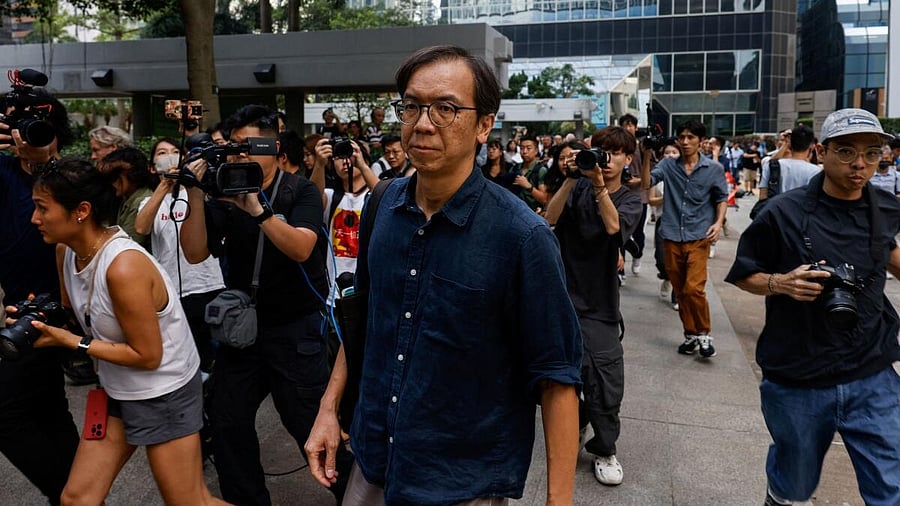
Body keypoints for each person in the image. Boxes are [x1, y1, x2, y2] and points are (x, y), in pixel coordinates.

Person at [304, 45, 582, 505]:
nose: (424, 122)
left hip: (460, 480)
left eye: (447, 108)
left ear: (485, 125)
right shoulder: (382, 205)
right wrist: (328, 409)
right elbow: (366, 322)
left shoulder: (523, 236)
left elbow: (557, 377)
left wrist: (559, 500)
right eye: (412, 106)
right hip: (374, 462)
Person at [23, 157, 226, 506]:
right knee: (77, 499)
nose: (34, 219)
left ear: (81, 211)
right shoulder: (66, 253)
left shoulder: (124, 266)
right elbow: (75, 314)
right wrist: (34, 317)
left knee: (189, 501)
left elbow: (148, 356)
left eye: (42, 208)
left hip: (164, 390)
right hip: (118, 389)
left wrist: (74, 342)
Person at [724, 108, 900, 506]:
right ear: (821, 151)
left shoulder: (885, 209)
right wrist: (781, 283)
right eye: (846, 152)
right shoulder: (781, 213)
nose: (860, 164)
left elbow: (886, 252)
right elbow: (742, 274)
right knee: (794, 487)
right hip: (798, 376)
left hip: (873, 374)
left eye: (872, 153)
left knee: (890, 489)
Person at [180, 105, 352, 505]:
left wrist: (259, 210)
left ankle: (359, 496)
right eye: (233, 147)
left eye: (248, 145)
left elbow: (302, 247)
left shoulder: (298, 190)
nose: (240, 156)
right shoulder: (222, 193)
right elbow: (192, 253)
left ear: (274, 143)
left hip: (294, 330)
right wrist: (194, 189)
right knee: (227, 421)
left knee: (310, 423)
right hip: (243, 332)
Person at [544, 130, 643, 487]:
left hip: (599, 304)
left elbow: (614, 227)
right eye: (603, 152)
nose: (609, 159)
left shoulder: (632, 200)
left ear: (628, 160)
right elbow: (549, 220)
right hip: (563, 297)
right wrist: (571, 180)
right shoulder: (578, 187)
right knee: (562, 377)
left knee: (605, 380)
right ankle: (573, 427)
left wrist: (599, 184)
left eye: (618, 154)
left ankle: (604, 447)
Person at [0, 88, 81, 505]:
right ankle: (76, 494)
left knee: (10, 413)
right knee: (48, 406)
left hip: (59, 309)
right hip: (16, 307)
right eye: (16, 122)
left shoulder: (69, 173)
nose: (25, 132)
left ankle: (71, 496)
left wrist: (40, 161)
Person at [135, 138, 226, 373]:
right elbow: (141, 227)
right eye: (162, 153)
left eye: (176, 152)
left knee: (214, 358)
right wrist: (165, 185)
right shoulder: (150, 201)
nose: (170, 155)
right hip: (174, 290)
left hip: (209, 285)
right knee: (184, 356)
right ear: (152, 166)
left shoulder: (199, 194)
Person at [640, 119, 728, 358]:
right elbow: (647, 183)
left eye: (691, 137)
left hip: (699, 235)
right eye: (682, 137)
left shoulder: (713, 169)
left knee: (694, 289)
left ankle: (705, 334)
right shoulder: (668, 166)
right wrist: (647, 155)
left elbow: (721, 197)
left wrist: (718, 223)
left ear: (701, 141)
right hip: (671, 235)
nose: (686, 141)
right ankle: (690, 334)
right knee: (680, 290)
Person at [98, 147, 156, 251]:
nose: (112, 183)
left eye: (114, 177)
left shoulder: (141, 201)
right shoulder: (126, 198)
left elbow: (129, 242)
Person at [758, 125, 821, 200]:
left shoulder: (771, 166)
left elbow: (762, 197)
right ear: (811, 146)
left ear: (790, 144)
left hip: (776, 210)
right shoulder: (816, 171)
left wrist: (786, 143)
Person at [513, 134, 548, 212]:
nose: (524, 152)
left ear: (536, 151)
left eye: (528, 148)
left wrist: (528, 186)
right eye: (522, 148)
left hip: (534, 213)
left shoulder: (541, 170)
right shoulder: (514, 169)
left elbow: (544, 200)